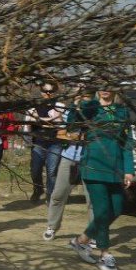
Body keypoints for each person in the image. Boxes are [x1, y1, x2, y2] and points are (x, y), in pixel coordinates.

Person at [68, 89, 135, 270]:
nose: (105, 89)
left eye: (108, 85)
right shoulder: (91, 107)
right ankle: (105, 254)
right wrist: (75, 104)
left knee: (117, 208)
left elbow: (127, 141)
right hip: (93, 166)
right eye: (101, 85)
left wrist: (129, 170)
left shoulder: (121, 111)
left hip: (116, 168)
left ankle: (81, 241)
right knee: (103, 211)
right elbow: (71, 124)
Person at [43, 89, 92, 240]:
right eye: (79, 96)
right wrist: (72, 135)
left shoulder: (97, 113)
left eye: (86, 96)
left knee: (92, 200)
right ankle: (52, 226)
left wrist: (86, 137)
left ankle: (93, 233)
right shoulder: (69, 112)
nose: (82, 99)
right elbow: (60, 134)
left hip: (90, 160)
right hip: (69, 157)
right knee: (58, 194)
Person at [27, 81, 66, 203]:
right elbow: (30, 122)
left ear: (54, 92)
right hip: (38, 142)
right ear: (41, 91)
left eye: (51, 91)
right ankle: (38, 189)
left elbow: (61, 123)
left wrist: (42, 120)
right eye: (45, 91)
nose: (48, 94)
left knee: (51, 170)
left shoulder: (60, 105)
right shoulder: (34, 106)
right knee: (35, 169)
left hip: (55, 142)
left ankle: (50, 194)